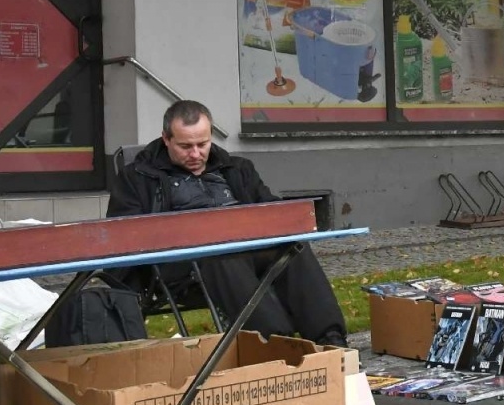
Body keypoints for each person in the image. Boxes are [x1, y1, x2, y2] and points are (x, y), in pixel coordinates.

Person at [106, 99, 348, 348]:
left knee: (293, 249)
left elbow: (271, 210)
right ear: (166, 139)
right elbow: (125, 233)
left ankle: (332, 340)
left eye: (203, 144)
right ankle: (276, 343)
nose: (196, 154)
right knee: (223, 256)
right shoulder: (137, 178)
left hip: (249, 249)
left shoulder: (236, 168)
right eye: (185, 146)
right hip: (186, 262)